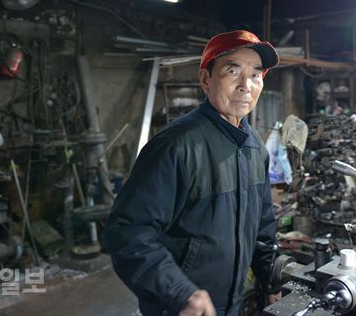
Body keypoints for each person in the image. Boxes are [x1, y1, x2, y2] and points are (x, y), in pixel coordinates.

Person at [106, 30, 281, 316]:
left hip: (230, 304)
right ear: (205, 79)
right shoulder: (175, 146)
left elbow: (262, 226)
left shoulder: (255, 148)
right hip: (180, 308)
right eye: (233, 71)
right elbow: (129, 232)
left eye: (255, 75)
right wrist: (178, 292)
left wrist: (270, 279)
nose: (245, 85)